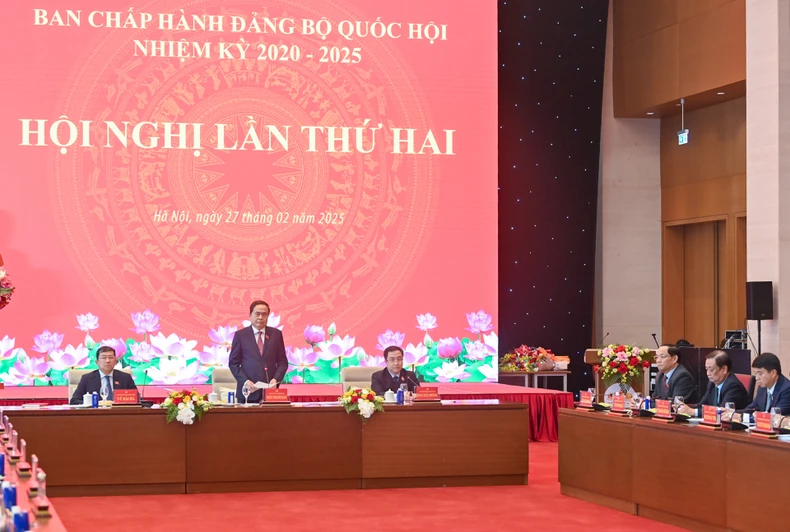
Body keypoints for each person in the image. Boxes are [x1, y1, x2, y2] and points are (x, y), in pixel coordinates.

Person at [228, 300, 287, 403]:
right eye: (257, 314)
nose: (260, 317)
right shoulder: (240, 335)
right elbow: (233, 363)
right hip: (247, 393)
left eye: (264, 314)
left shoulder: (276, 334)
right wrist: (245, 381)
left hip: (270, 393)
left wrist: (276, 380)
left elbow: (283, 362)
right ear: (250, 315)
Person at [678, 350, 749, 417]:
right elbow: (702, 405)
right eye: (706, 369)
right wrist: (684, 408)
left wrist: (694, 412)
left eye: (711, 369)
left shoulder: (733, 386)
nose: (708, 373)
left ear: (724, 369)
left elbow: (722, 411)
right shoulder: (712, 383)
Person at [69, 346, 138, 404]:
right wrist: (95, 403)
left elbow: (137, 399)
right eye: (104, 358)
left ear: (115, 362)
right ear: (97, 362)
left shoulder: (125, 378)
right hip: (96, 414)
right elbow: (74, 401)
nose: (107, 361)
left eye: (110, 357)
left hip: (119, 414)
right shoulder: (87, 378)